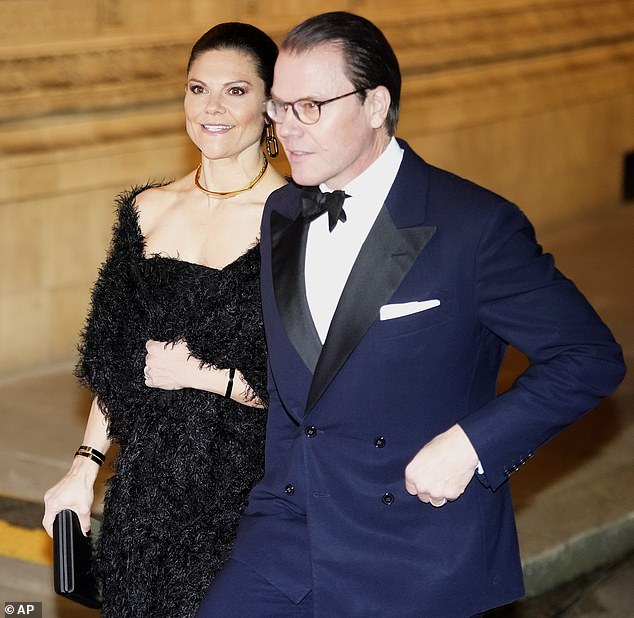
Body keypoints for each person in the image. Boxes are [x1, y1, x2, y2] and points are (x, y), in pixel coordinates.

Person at [195, 11, 627, 618]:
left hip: (413, 547)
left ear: (376, 105)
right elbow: (292, 381)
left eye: (310, 107)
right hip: (289, 534)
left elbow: (588, 358)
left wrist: (473, 445)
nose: (287, 128)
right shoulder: (282, 212)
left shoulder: (474, 227)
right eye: (279, 106)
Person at [42, 22, 285, 617]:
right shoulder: (148, 210)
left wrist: (206, 376)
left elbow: (316, 386)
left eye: (235, 91)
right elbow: (112, 356)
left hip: (251, 493)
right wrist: (84, 467)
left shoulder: (296, 220)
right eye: (198, 89)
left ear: (271, 104)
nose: (212, 109)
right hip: (147, 490)